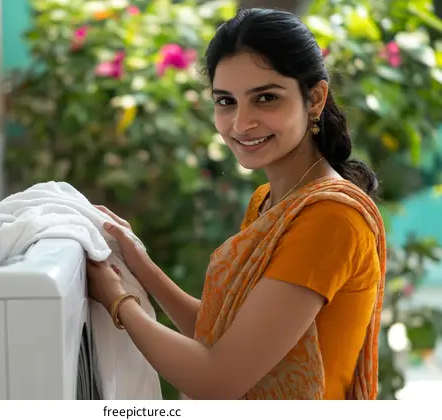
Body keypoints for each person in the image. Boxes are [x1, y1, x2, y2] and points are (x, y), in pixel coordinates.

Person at [86, 8, 386, 400]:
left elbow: (217, 381)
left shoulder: (330, 218)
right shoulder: (271, 201)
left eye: (265, 98)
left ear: (314, 98)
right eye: (226, 101)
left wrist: (118, 301)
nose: (241, 124)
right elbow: (223, 335)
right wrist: (139, 262)